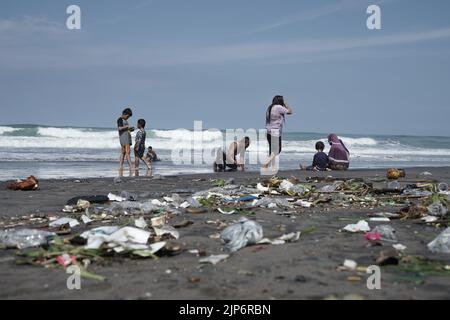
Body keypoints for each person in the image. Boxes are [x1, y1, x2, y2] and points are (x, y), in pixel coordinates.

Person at [261, 95, 293, 172]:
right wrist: (286, 104)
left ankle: (271, 167)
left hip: (268, 131)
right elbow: (290, 111)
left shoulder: (270, 108)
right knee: (277, 150)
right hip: (275, 131)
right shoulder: (278, 107)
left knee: (272, 150)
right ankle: (265, 164)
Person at [117, 108, 134, 176]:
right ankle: (131, 166)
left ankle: (121, 166)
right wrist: (127, 127)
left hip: (126, 136)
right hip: (124, 137)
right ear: (124, 114)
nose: (128, 118)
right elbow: (119, 128)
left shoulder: (124, 120)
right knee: (128, 152)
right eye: (127, 116)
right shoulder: (120, 119)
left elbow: (124, 128)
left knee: (123, 152)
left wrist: (130, 129)